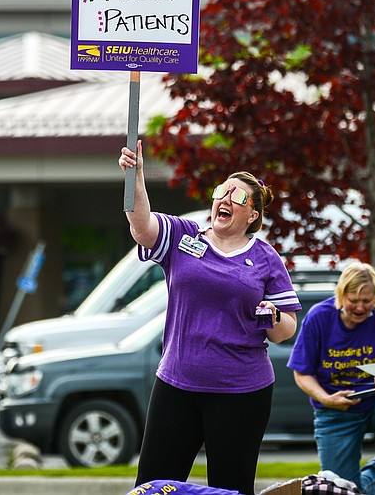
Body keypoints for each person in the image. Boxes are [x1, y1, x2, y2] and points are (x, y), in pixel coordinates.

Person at [118, 140, 301, 495]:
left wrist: (273, 315)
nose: (226, 199)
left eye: (239, 197)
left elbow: (285, 330)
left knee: (230, 489)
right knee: (152, 487)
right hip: (176, 384)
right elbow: (142, 228)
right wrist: (135, 177)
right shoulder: (184, 236)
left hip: (241, 392)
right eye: (222, 192)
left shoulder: (265, 258)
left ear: (253, 216)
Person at [288, 262, 375, 495]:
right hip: (335, 412)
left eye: (367, 301)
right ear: (341, 295)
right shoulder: (318, 317)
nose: (361, 307)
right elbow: (302, 373)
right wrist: (327, 399)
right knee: (344, 491)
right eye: (354, 300)